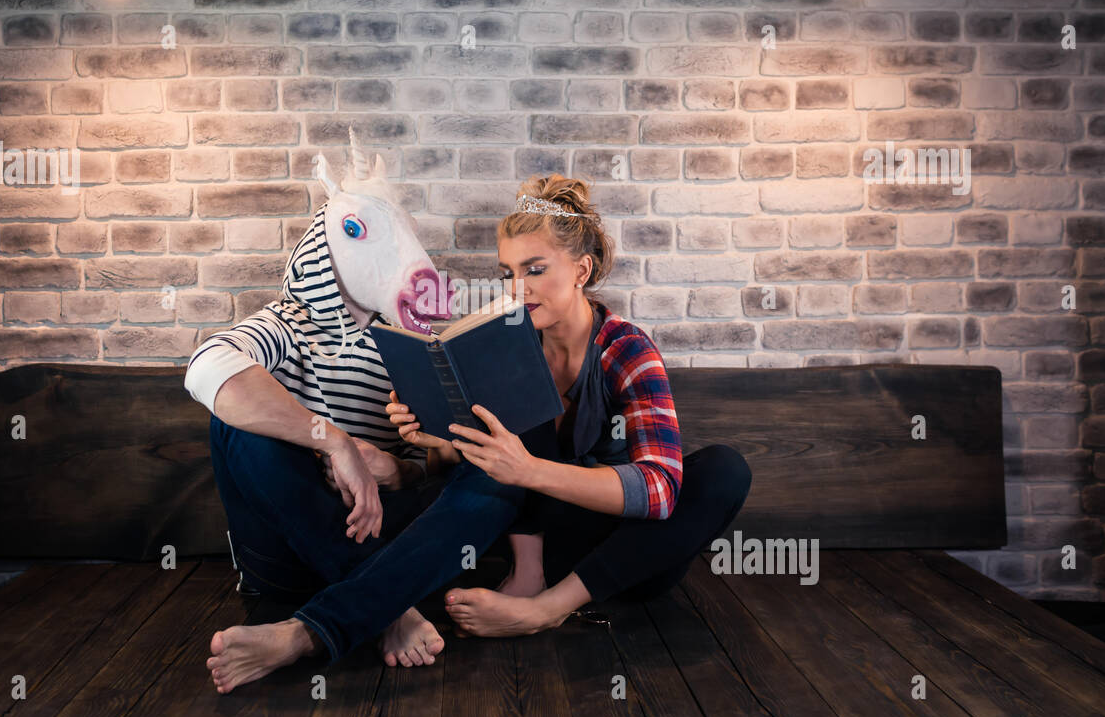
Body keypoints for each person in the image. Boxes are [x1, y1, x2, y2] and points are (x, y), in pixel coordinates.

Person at [205, 174, 751, 691]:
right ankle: (420, 601)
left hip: (618, 557)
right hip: (507, 538)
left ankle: (544, 608)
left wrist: (528, 469)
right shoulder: (507, 344)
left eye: (534, 270)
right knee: (497, 450)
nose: (519, 288)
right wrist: (428, 450)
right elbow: (475, 477)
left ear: (581, 271)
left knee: (724, 469)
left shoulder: (626, 350)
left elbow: (658, 493)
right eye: (508, 273)